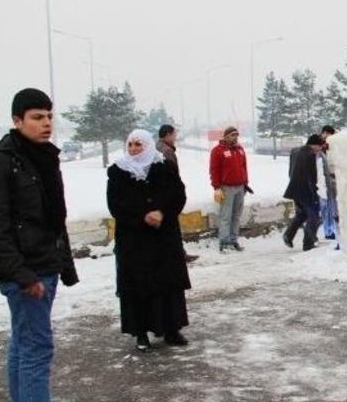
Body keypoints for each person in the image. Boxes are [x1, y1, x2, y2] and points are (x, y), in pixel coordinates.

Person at [0, 88, 78, 402]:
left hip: (42, 264)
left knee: (23, 343)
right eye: (37, 117)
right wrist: (22, 274)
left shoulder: (41, 155)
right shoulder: (1, 161)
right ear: (17, 121)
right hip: (27, 272)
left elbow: (52, 216)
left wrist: (62, 263)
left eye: (49, 116)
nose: (46, 123)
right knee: (37, 347)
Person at [107, 129, 191, 352]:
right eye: (131, 144)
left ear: (148, 145)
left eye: (139, 144)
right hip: (134, 240)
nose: (134, 148)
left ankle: (172, 329)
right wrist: (141, 216)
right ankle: (141, 333)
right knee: (137, 286)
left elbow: (178, 195)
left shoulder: (164, 166)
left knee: (167, 283)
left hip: (163, 237)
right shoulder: (118, 171)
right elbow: (115, 205)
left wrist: (162, 213)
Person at [157, 124, 199, 263]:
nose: (175, 137)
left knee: (167, 228)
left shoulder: (158, 148)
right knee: (171, 227)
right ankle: (178, 254)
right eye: (174, 134)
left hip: (161, 194)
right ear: (168, 135)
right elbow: (172, 174)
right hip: (168, 194)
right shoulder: (167, 151)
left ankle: (176, 253)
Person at [209, 126, 250, 252]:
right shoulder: (218, 150)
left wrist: (245, 183)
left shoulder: (240, 149)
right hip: (226, 187)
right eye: (232, 135)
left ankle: (233, 239)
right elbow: (214, 170)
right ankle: (224, 241)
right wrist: (216, 187)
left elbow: (244, 167)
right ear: (226, 136)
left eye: (236, 135)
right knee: (225, 216)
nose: (235, 137)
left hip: (240, 187)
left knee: (236, 216)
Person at [282, 134, 324, 251]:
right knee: (314, 216)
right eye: (320, 146)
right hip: (306, 190)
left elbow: (291, 170)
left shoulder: (296, 151)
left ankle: (288, 235)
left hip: (294, 189)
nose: (320, 149)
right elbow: (310, 176)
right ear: (314, 145)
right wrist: (314, 192)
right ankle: (308, 243)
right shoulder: (309, 155)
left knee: (302, 214)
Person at [317, 125, 338, 240]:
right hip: (322, 182)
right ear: (325, 133)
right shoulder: (319, 146)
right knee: (326, 208)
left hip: (327, 181)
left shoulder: (324, 145)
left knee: (329, 207)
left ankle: (329, 230)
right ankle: (328, 231)